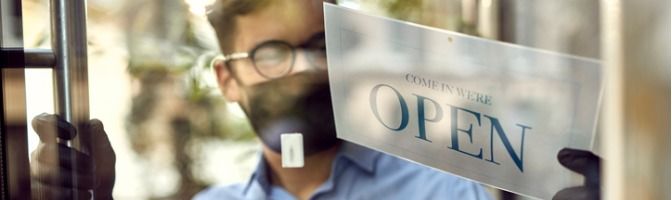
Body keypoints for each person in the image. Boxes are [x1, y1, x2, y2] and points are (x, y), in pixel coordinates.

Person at [29, 0, 600, 199]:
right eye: (273, 55)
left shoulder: (450, 189)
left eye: (320, 48)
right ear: (228, 80)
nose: (302, 72)